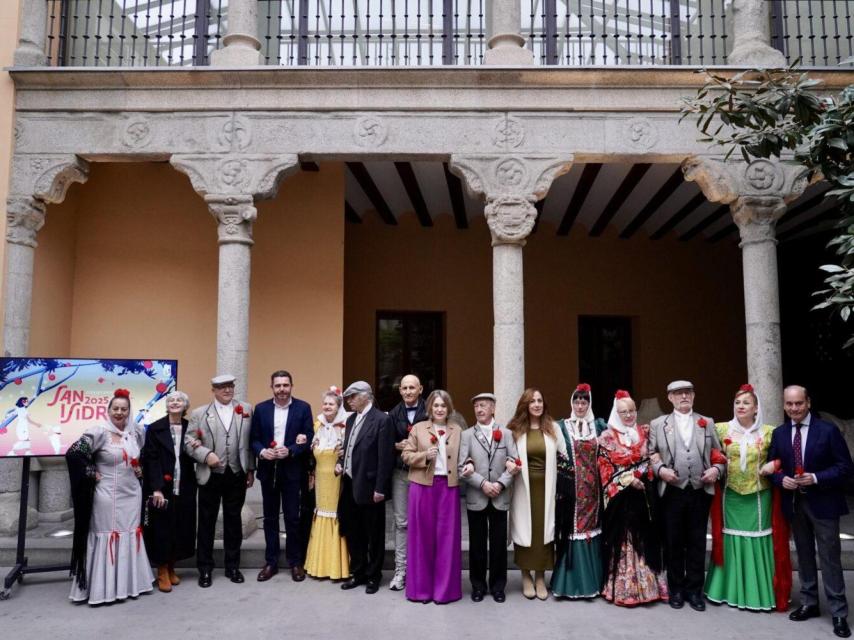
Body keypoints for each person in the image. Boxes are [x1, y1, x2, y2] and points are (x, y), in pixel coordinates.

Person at [767, 385, 854, 638]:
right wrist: (780, 479)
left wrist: (816, 477)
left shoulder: (827, 431)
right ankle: (809, 603)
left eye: (798, 403)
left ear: (808, 403)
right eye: (789, 404)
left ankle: (839, 612)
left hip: (824, 503)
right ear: (784, 405)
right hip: (794, 504)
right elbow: (773, 467)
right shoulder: (780, 434)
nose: (794, 408)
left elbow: (845, 467)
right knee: (803, 555)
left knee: (829, 557)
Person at [704, 384, 788, 611]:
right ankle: (726, 589)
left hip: (759, 496)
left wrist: (775, 464)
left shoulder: (770, 432)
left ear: (756, 407)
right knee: (730, 538)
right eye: (737, 403)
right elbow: (708, 454)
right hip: (730, 495)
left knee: (758, 538)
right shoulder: (720, 430)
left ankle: (758, 591)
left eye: (746, 403)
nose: (741, 407)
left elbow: (786, 458)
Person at [66, 388, 154, 604]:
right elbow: (74, 453)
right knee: (107, 533)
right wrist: (90, 472)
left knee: (129, 533)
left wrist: (139, 468)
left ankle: (129, 586)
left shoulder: (136, 433)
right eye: (115, 408)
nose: (119, 412)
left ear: (129, 411)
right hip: (106, 495)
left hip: (132, 494)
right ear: (108, 410)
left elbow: (140, 457)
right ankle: (102, 590)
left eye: (124, 409)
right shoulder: (98, 432)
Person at [649, 380, 724, 611]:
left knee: (697, 541)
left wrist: (716, 470)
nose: (683, 397)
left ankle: (694, 591)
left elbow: (719, 454)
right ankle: (676, 590)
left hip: (699, 490)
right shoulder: (658, 424)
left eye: (687, 393)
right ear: (669, 397)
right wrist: (661, 470)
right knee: (673, 542)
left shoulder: (706, 422)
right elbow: (651, 453)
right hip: (672, 491)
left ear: (693, 395)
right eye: (678, 393)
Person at [598, 390, 667, 606]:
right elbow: (604, 467)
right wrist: (628, 480)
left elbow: (655, 455)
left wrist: (654, 463)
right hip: (621, 499)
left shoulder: (645, 432)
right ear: (615, 413)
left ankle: (650, 587)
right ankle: (625, 589)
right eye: (623, 412)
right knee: (625, 541)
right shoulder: (607, 437)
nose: (628, 415)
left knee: (647, 538)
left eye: (631, 411)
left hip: (644, 496)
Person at [185, 374, 255, 588]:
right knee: (206, 521)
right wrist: (206, 455)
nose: (227, 390)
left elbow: (250, 441)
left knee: (233, 521)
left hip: (236, 473)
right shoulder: (200, 413)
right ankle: (205, 569)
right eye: (222, 387)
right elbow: (189, 441)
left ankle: (232, 566)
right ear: (213, 390)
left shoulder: (246, 410)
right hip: (210, 475)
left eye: (230, 386)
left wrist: (250, 468)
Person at [250, 370, 314, 583]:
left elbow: (309, 437)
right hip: (268, 471)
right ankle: (271, 562)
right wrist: (262, 452)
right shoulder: (261, 409)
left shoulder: (303, 408)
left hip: (292, 471)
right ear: (272, 387)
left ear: (291, 386)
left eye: (285, 385)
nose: (282, 389)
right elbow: (254, 439)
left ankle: (295, 562)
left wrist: (292, 450)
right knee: (269, 518)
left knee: (292, 518)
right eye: (278, 386)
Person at [401, 389, 464, 604]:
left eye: (443, 406)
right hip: (422, 487)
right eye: (436, 405)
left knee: (447, 538)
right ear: (430, 407)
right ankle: (421, 591)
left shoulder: (457, 430)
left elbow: (465, 455)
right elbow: (406, 455)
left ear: (449, 408)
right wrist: (423, 456)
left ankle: (444, 591)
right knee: (421, 537)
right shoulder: (419, 428)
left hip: (449, 487)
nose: (439, 409)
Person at [459, 392, 519, 603]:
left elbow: (515, 461)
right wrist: (482, 483)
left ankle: (498, 586)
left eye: (483, 405)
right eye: (476, 406)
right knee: (476, 544)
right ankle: (477, 586)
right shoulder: (467, 435)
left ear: (493, 408)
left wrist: (500, 483)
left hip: (500, 496)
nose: (479, 409)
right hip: (477, 495)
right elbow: (461, 466)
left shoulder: (507, 434)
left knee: (498, 545)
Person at [508, 388, 567, 600]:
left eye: (540, 400)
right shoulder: (514, 429)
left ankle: (540, 576)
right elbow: (506, 455)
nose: (536, 404)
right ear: (525, 405)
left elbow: (564, 456)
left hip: (547, 487)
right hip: (522, 487)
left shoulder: (553, 428)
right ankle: (525, 575)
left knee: (543, 530)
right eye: (532, 401)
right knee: (525, 529)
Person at [336, 381, 394, 594]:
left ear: (365, 396)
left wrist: (380, 488)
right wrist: (341, 463)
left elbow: (385, 458)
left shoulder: (382, 420)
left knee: (374, 534)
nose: (349, 401)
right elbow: (349, 448)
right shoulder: (351, 419)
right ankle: (357, 572)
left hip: (370, 486)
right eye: (348, 397)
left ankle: (373, 575)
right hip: (350, 483)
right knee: (353, 531)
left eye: (352, 397)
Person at [551, 383, 607, 599]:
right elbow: (555, 455)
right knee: (571, 529)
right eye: (577, 401)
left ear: (589, 403)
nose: (580, 405)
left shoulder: (599, 427)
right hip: (571, 490)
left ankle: (592, 580)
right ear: (571, 403)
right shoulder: (561, 427)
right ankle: (570, 582)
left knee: (593, 529)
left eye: (584, 401)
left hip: (594, 491)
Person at [141, 390, 197, 593]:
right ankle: (162, 570)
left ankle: (172, 566)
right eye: (171, 400)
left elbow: (196, 454)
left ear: (185, 406)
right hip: (163, 488)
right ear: (167, 406)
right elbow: (151, 460)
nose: (175, 403)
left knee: (180, 527)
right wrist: (156, 488)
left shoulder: (191, 428)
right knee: (162, 528)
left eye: (179, 400)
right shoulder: (155, 429)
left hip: (186, 485)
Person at [304, 386, 350, 580]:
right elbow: (310, 453)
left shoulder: (346, 427)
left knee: (336, 514)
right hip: (321, 479)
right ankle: (319, 564)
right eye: (325, 403)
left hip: (337, 478)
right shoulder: (318, 426)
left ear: (338, 406)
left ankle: (338, 566)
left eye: (331, 404)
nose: (327, 407)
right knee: (320, 512)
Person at [386, 374, 428, 591]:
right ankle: (401, 570)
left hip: (424, 473)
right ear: (400, 391)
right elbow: (386, 444)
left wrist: (415, 449)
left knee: (423, 523)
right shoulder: (393, 414)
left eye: (413, 387)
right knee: (402, 523)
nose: (409, 391)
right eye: (405, 388)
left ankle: (421, 570)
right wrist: (396, 445)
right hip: (401, 474)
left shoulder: (431, 411)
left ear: (420, 389)